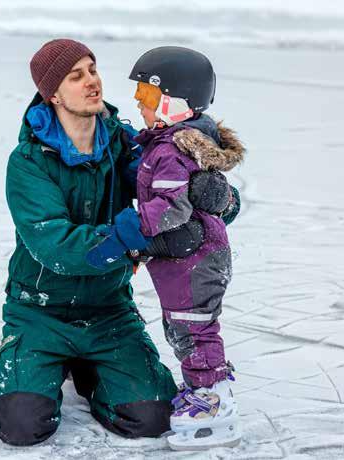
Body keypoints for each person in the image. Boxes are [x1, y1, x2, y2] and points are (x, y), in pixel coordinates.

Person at [0, 38, 237, 446]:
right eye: (75, 76)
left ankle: (90, 367)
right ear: (53, 95)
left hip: (108, 311)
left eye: (93, 69)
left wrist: (219, 198)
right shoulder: (29, 162)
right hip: (39, 311)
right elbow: (56, 247)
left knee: (152, 417)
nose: (92, 81)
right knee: (21, 425)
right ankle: (48, 362)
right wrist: (140, 244)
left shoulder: (124, 143)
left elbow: (173, 189)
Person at [89, 45, 244, 450]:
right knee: (183, 326)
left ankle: (212, 399)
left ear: (176, 101)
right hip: (185, 259)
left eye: (147, 94)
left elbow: (170, 208)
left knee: (193, 327)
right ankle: (205, 385)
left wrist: (124, 233)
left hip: (196, 260)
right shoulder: (165, 142)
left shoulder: (173, 149)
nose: (138, 103)